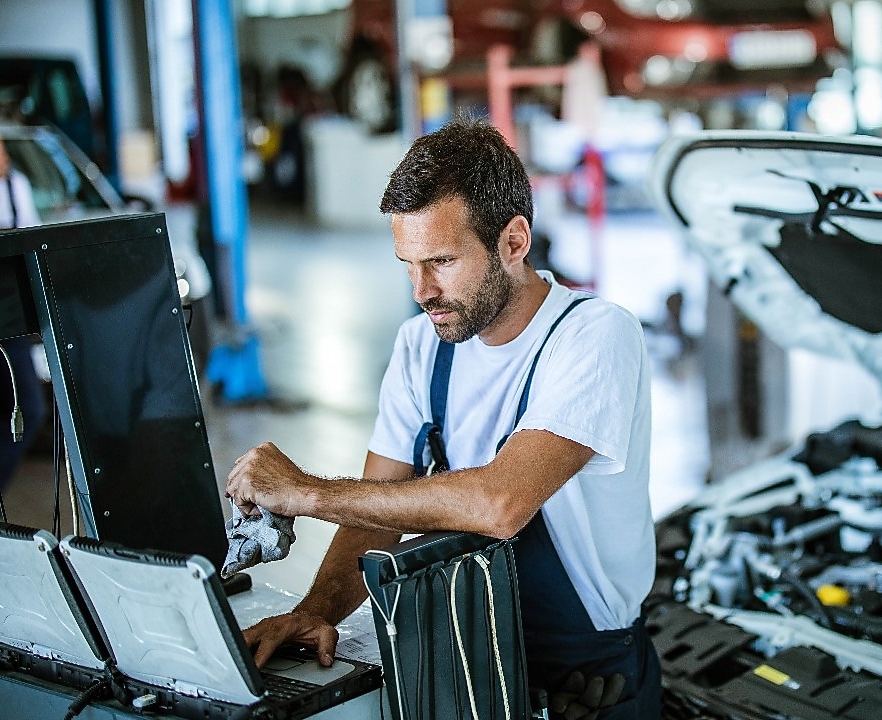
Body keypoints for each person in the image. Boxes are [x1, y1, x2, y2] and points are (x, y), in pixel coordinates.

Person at [225, 116, 661, 718]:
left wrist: (303, 493)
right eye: (408, 264)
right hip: (470, 660)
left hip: (588, 681)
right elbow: (380, 506)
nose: (421, 290)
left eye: (441, 261)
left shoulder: (593, 336)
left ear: (513, 241)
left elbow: (501, 503)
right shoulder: (420, 347)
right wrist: (316, 611)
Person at [0, 119, 48, 509]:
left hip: (8, 322)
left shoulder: (16, 188)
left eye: (0, 146)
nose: (1, 155)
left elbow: (34, 243)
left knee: (29, 407)